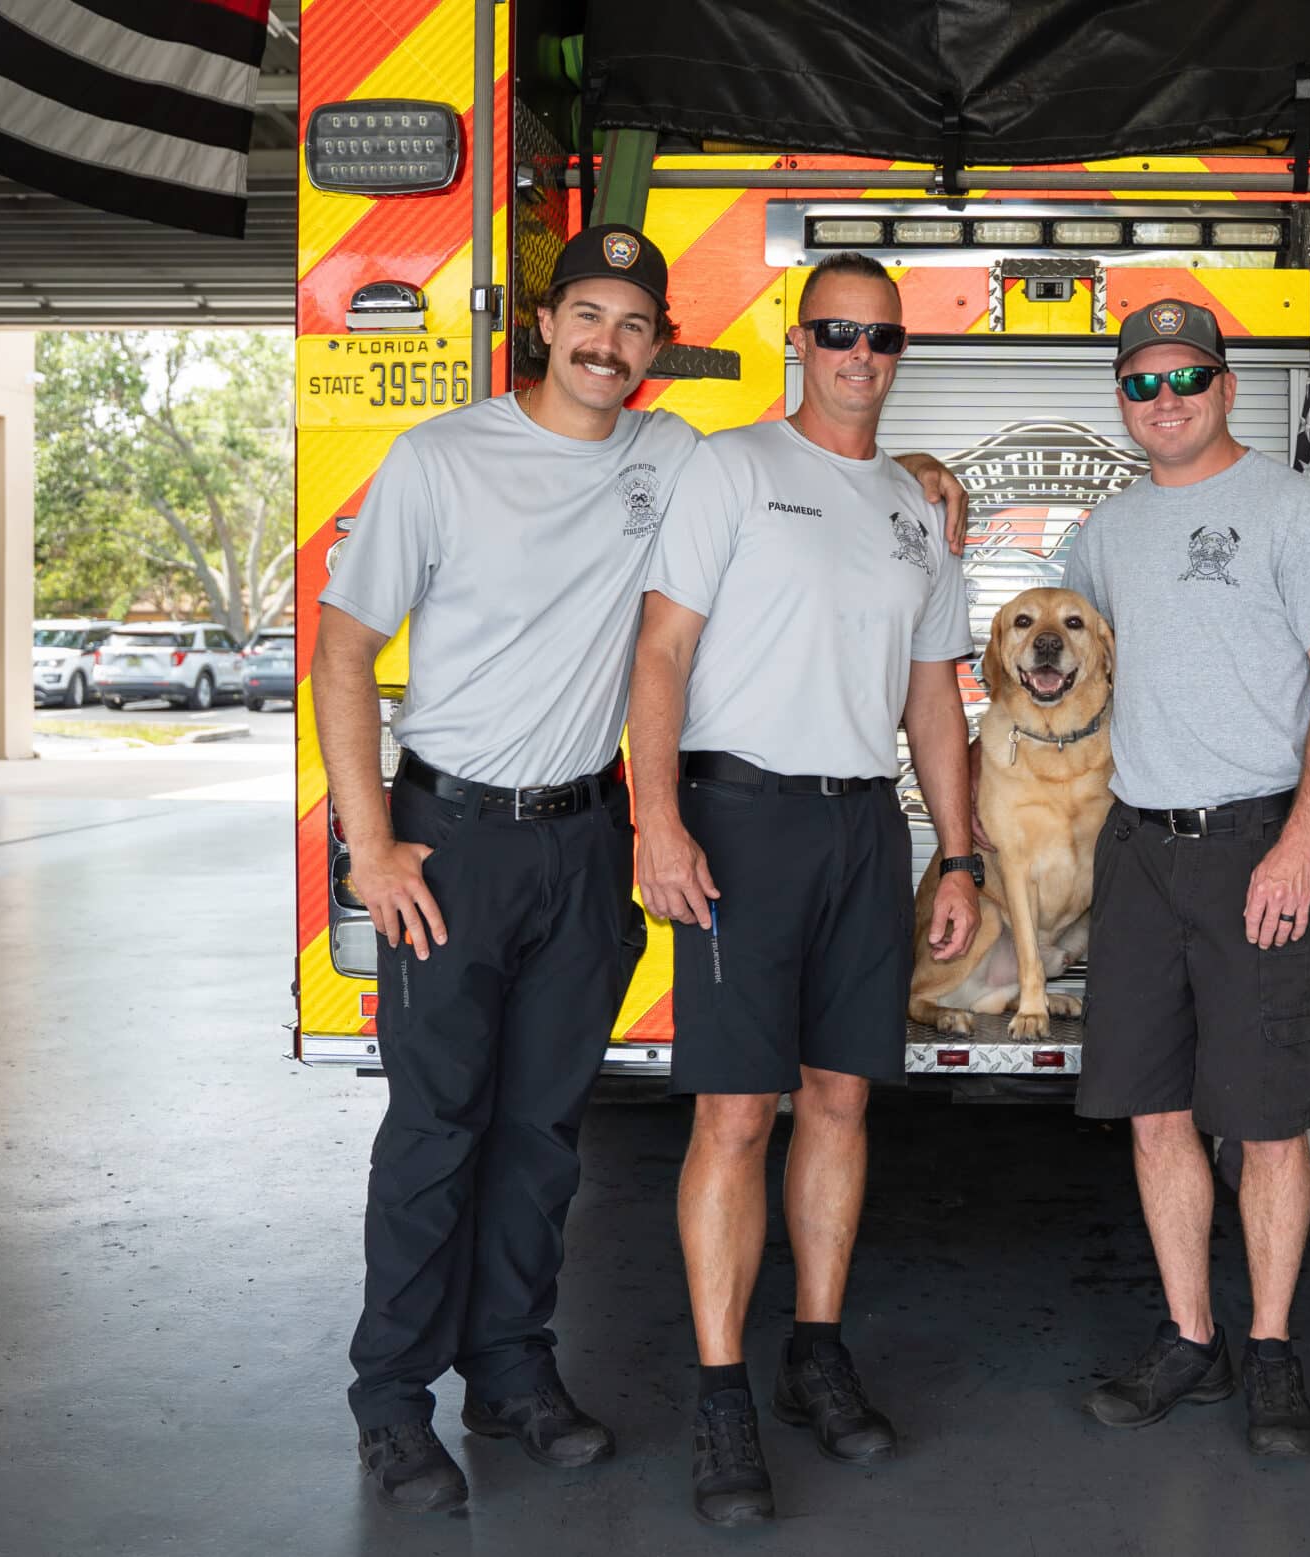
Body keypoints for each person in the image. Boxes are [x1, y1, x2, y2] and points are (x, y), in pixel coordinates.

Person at [317, 227, 970, 1516]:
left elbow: (836, 495)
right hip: (449, 835)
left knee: (544, 1131)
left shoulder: (671, 458)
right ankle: (392, 1401)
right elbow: (343, 650)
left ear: (654, 345)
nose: (608, 345)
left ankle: (509, 1371)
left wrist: (920, 470)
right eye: (590, 318)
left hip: (581, 838)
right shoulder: (440, 458)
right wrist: (369, 840)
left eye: (634, 327)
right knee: (437, 1130)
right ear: (546, 322)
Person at [627, 251, 982, 1527]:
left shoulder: (913, 506)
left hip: (856, 830)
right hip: (737, 818)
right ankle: (721, 1394)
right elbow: (660, 650)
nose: (856, 356)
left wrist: (958, 849)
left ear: (900, 355)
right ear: (798, 337)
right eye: (835, 332)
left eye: (880, 339)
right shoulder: (732, 469)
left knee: (840, 1103)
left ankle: (813, 1353)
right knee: (734, 1115)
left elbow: (933, 690)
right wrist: (656, 822)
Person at [1059, 298, 1310, 1458]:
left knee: (1265, 1123)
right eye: (1140, 385)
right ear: (1123, 402)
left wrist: (1299, 844)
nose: (1165, 402)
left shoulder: (1294, 510)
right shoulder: (1110, 528)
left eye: (1185, 378)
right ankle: (1191, 1341)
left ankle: (1275, 1349)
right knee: (1155, 1116)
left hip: (1256, 847)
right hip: (1138, 851)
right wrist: (938, 491)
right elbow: (1052, 621)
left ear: (1226, 386)